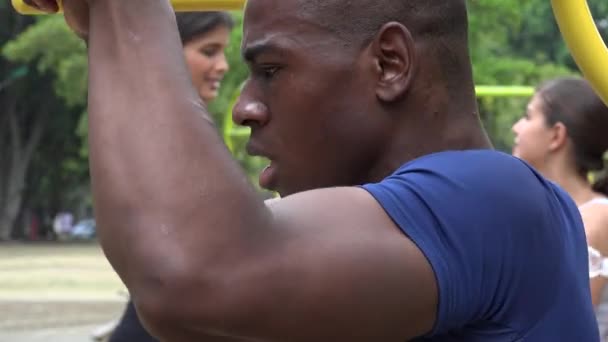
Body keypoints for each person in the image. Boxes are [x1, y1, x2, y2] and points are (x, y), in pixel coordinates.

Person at [27, 0, 599, 340]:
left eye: (271, 70)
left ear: (390, 64)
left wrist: (125, 11)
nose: (244, 106)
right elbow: (192, 315)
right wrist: (104, 25)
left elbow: (195, 272)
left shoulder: (497, 198)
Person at [105, 11, 234, 342]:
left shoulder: (184, 128)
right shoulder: (153, 133)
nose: (223, 66)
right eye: (209, 51)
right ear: (164, 50)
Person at [512, 77, 608, 337]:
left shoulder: (596, 217)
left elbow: (562, 327)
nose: (516, 127)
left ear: (556, 135)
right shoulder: (541, 210)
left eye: (528, 116)